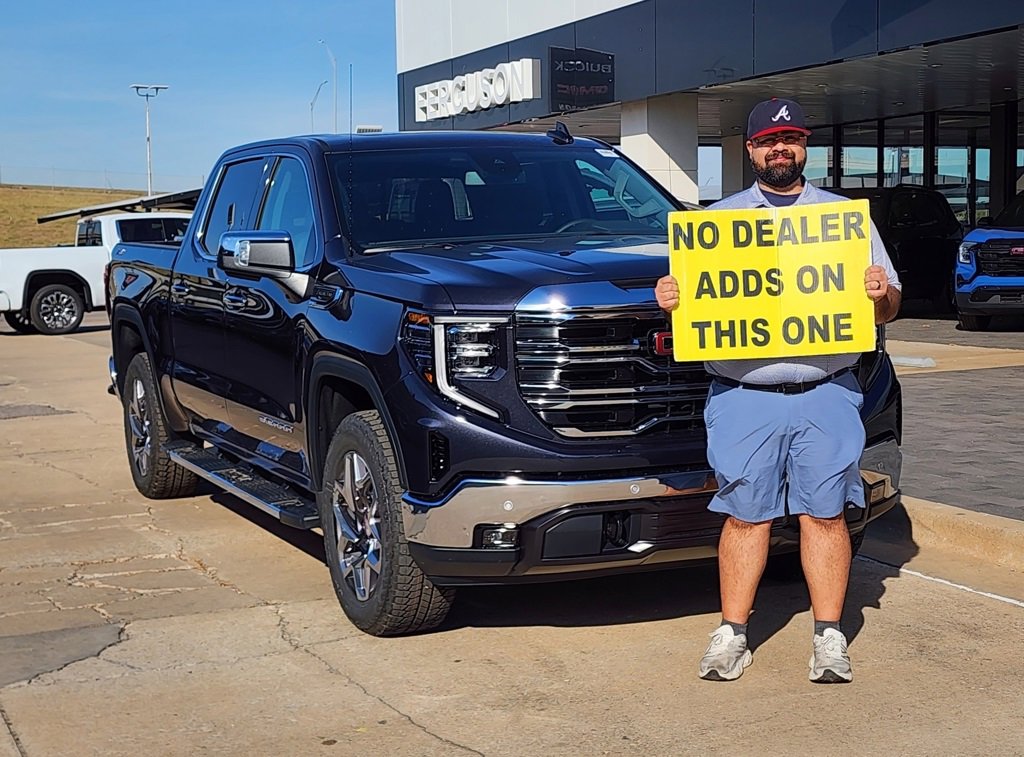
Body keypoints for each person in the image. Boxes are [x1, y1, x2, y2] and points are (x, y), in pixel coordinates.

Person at [655, 98, 901, 683]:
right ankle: (732, 633)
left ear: (804, 146)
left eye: (790, 139)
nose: (779, 149)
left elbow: (890, 306)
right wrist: (669, 301)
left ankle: (829, 635)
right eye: (769, 140)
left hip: (827, 391)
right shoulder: (716, 226)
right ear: (750, 150)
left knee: (826, 515)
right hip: (743, 398)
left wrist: (878, 294)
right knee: (745, 517)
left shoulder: (844, 220)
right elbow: (693, 314)